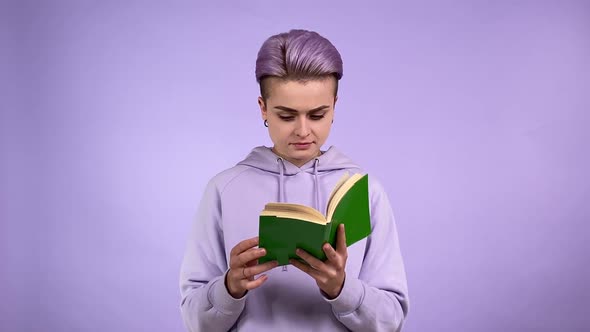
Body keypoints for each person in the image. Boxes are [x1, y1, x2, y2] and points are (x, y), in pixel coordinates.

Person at [179, 29, 409, 332]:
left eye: (317, 115)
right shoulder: (224, 189)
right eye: (287, 115)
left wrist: (341, 288)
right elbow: (194, 321)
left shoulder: (365, 192)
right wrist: (229, 288)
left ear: (334, 107)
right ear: (263, 108)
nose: (302, 131)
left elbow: (392, 321)